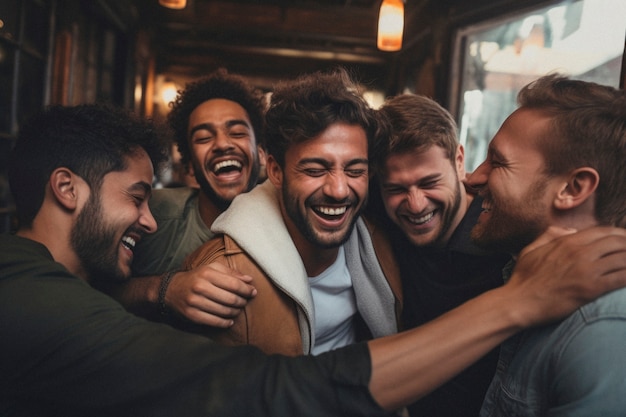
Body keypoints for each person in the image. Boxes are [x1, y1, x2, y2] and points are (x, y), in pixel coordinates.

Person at [3, 100, 626, 417]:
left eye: (356, 171)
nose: (149, 215)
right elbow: (270, 390)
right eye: (137, 198)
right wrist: (163, 290)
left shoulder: (379, 228)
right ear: (274, 173)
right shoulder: (38, 302)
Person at [181, 69, 403, 355]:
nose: (338, 190)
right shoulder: (222, 275)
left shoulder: (378, 237)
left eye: (354, 170)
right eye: (314, 170)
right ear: (275, 171)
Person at [466, 74, 626, 416]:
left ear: (572, 189)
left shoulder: (601, 329)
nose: (473, 177)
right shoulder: (523, 274)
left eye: (498, 162)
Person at [369, 94, 511, 417]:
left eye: (429, 182)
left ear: (459, 161)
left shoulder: (504, 237)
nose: (416, 204)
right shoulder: (378, 209)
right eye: (397, 189)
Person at [108, 69, 264, 326]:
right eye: (204, 137)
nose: (223, 144)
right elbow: (94, 287)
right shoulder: (153, 213)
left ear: (261, 152)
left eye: (237, 132)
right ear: (190, 165)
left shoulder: (289, 220)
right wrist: (164, 289)